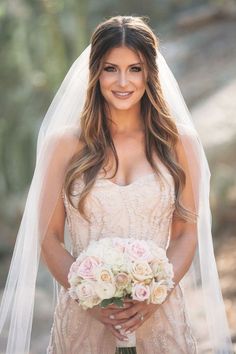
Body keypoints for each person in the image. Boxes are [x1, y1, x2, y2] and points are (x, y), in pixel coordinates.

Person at [0, 15, 233, 354]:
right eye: (111, 68)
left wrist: (157, 294)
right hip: (84, 320)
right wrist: (89, 296)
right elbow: (49, 238)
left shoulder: (180, 143)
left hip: (158, 317)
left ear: (150, 72)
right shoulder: (63, 145)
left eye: (135, 69)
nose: (123, 81)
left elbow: (185, 233)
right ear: (95, 72)